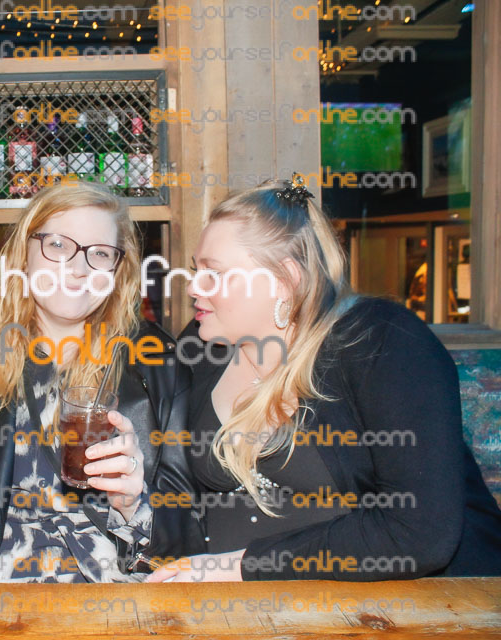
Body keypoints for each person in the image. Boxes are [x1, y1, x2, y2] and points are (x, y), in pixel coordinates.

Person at [147, 175, 501, 583]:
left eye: (214, 272)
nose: (193, 286)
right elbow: (182, 497)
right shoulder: (202, 345)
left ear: (284, 280)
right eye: (196, 270)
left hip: (410, 605)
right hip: (237, 605)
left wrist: (238, 567)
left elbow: (420, 533)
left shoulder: (382, 342)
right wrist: (135, 488)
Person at [0, 181, 202, 583]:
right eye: (57, 245)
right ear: (23, 254)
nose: (78, 268)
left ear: (118, 270)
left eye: (100, 253)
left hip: (113, 599)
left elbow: (188, 535)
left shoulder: (157, 362)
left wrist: (132, 503)